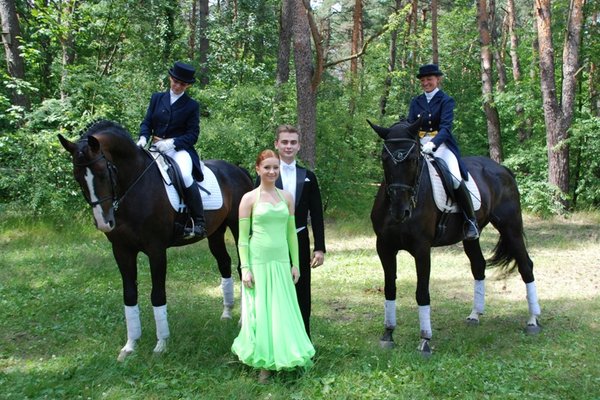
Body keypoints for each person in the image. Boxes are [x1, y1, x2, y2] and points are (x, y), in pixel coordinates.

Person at [232, 149, 315, 383]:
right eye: (267, 167)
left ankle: (287, 355)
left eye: (275, 167)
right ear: (258, 169)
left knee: (282, 310)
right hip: (259, 262)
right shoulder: (249, 199)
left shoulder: (286, 197)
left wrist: (295, 264)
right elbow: (242, 238)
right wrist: (245, 268)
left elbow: (291, 234)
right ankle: (264, 366)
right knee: (262, 311)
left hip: (280, 262)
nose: (271, 171)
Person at [256, 125, 326, 338]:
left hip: (299, 237)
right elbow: (254, 211)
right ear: (276, 144)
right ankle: (274, 339)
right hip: (271, 241)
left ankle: (303, 339)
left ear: (299, 146)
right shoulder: (266, 174)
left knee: (301, 290)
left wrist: (320, 248)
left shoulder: (308, 176)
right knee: (273, 291)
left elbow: (317, 214)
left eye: (293, 142)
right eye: (284, 142)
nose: (288, 146)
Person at [406, 63, 479, 240]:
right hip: (419, 145)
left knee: (454, 178)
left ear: (437, 80)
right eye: (423, 80)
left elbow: (446, 127)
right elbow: (410, 126)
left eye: (429, 79)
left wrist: (433, 143)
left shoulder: (446, 100)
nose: (425, 83)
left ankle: (470, 221)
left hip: (442, 145)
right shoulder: (416, 102)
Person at [136, 61, 206, 239]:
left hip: (179, 150)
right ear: (170, 78)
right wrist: (143, 137)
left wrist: (171, 143)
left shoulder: (192, 106)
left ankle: (198, 221)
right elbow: (147, 122)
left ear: (188, 85)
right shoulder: (156, 98)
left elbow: (193, 135)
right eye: (175, 81)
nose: (177, 86)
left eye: (182, 84)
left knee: (184, 175)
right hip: (155, 147)